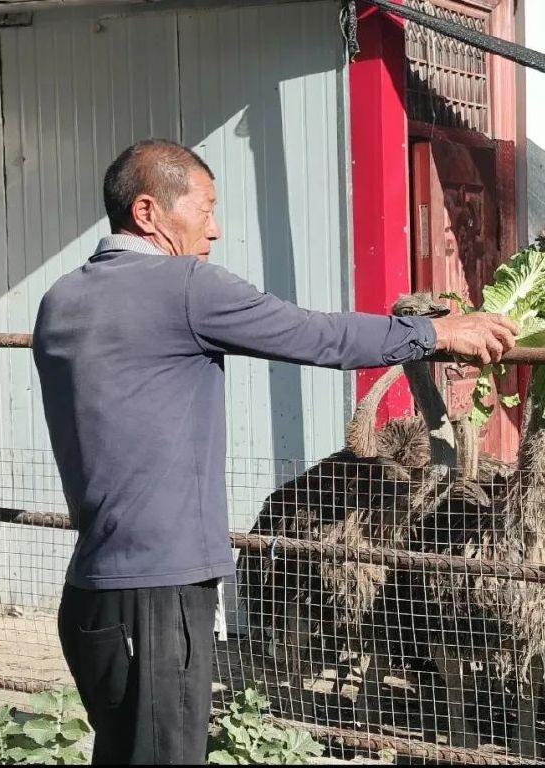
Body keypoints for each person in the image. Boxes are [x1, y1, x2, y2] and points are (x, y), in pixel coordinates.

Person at [32, 139, 518, 765]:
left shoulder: (61, 299)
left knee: (119, 752)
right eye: (204, 209)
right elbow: (315, 335)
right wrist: (434, 332)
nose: (215, 229)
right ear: (149, 213)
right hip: (163, 587)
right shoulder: (184, 286)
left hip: (92, 590)